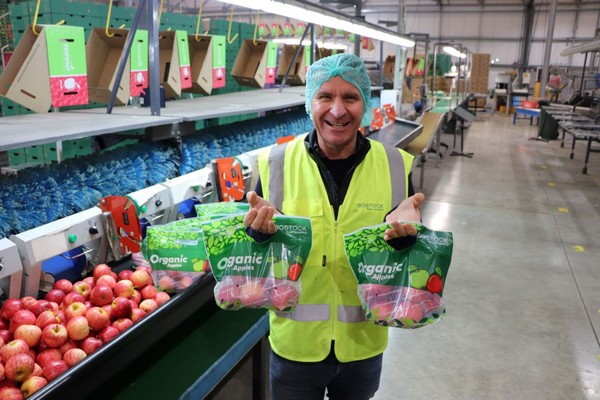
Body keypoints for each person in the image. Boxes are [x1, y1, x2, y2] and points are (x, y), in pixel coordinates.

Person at [243, 53, 425, 400]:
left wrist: (408, 243)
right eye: (326, 96)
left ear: (365, 103)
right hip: (295, 347)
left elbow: (410, 267)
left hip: (363, 344)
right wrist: (255, 236)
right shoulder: (274, 165)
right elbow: (251, 267)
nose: (338, 111)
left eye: (350, 97)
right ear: (310, 102)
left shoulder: (394, 166)